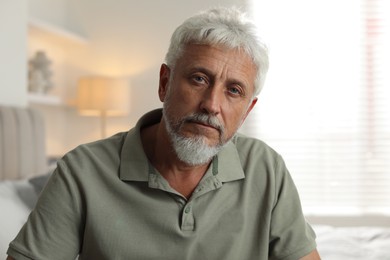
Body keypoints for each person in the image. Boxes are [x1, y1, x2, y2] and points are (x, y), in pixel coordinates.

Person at [7, 7, 320, 260]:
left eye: (233, 90)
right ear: (164, 83)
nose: (212, 105)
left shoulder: (267, 169)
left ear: (247, 111)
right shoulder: (82, 171)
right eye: (199, 79)